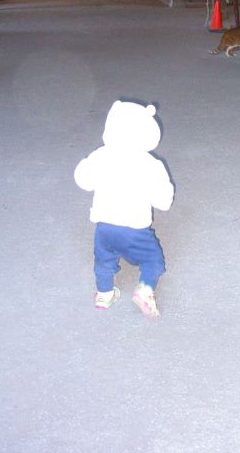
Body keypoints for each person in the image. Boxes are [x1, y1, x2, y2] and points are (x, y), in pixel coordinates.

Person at [74, 100, 175, 318]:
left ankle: (104, 293)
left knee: (104, 259)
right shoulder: (151, 164)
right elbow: (163, 201)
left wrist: (86, 165)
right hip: (134, 229)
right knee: (153, 259)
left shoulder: (100, 155)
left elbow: (83, 179)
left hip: (105, 227)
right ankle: (145, 288)